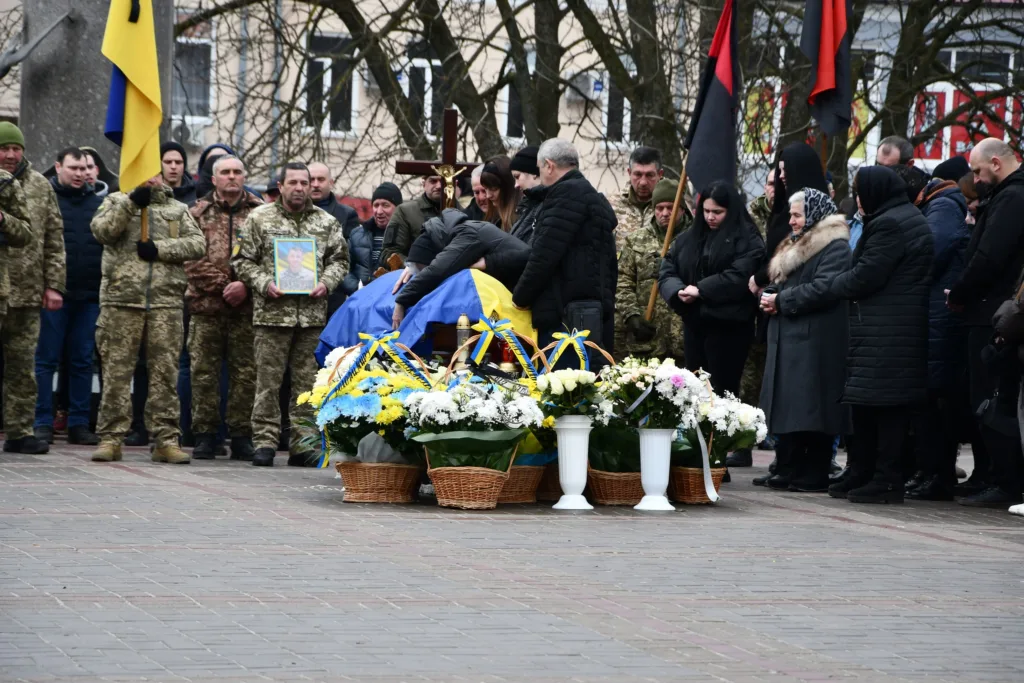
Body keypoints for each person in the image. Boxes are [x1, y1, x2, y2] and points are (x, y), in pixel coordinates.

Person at [827, 165, 933, 504]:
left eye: (861, 192)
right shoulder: (903, 216)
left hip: (888, 329)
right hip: (888, 327)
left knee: (885, 408)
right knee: (869, 404)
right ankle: (864, 471)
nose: (858, 199)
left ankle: (885, 479)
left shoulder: (890, 224)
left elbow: (866, 275)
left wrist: (832, 285)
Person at [232, 162, 349, 468]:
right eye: (293, 182)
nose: (299, 188)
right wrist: (263, 283)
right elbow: (242, 260)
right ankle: (265, 442)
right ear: (280, 186)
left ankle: (303, 444)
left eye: (304, 183)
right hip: (271, 316)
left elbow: (340, 260)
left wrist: (326, 283)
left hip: (310, 317)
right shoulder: (259, 218)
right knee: (267, 382)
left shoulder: (326, 222)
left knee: (306, 384)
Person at [89, 173, 206, 464]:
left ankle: (166, 440)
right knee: (116, 373)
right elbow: (102, 232)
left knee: (165, 374)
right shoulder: (115, 201)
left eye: (155, 172)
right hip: (121, 301)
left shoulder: (177, 208)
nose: (150, 177)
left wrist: (160, 248)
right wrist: (131, 203)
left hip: (165, 303)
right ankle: (111, 437)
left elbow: (197, 244)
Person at [756, 188, 851, 491]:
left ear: (814, 214)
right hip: (791, 337)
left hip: (815, 340)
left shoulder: (835, 247)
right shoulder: (797, 242)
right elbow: (785, 282)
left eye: (797, 215)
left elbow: (825, 287)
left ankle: (814, 472)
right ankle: (787, 466)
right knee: (789, 407)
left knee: (813, 409)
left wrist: (781, 301)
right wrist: (770, 297)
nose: (792, 221)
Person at [947, 138, 1024, 507]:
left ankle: (1004, 481)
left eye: (978, 171)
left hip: (994, 313)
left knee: (993, 400)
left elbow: (989, 257)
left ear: (996, 163)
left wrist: (960, 292)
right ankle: (993, 476)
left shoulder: (1012, 198)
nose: (975, 179)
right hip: (993, 310)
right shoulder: (1007, 196)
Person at [891, 167, 969, 501]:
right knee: (925, 403)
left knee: (935, 402)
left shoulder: (943, 206)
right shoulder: (937, 205)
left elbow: (928, 252)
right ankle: (927, 471)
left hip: (939, 320)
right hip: (933, 316)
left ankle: (938, 475)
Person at [185, 155, 263, 461]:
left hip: (247, 308)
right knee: (203, 373)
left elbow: (271, 257)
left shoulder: (261, 213)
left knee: (246, 375)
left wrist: (244, 285)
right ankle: (205, 435)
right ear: (214, 179)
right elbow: (189, 258)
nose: (232, 177)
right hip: (206, 308)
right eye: (225, 172)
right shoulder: (196, 213)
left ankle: (241, 435)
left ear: (244, 177)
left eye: (237, 172)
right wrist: (225, 286)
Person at [512, 139, 617, 361]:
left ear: (549, 166)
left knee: (560, 379)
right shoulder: (590, 196)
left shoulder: (565, 195)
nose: (541, 176)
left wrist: (519, 298)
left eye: (540, 169)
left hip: (563, 315)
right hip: (589, 312)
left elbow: (543, 256)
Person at [659, 181, 764, 395]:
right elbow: (667, 268)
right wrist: (677, 291)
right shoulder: (690, 237)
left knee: (722, 394)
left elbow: (740, 276)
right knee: (693, 392)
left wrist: (701, 290)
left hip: (729, 329)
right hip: (694, 326)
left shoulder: (748, 239)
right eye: (706, 211)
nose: (710, 217)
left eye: (717, 212)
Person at [0, 126, 66, 455]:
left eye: (16, 148)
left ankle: (19, 431)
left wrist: (54, 285)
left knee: (23, 366)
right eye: (4, 148)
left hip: (27, 290)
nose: (11, 155)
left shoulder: (41, 185)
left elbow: (54, 238)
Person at [34, 148, 104, 446]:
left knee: (82, 361)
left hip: (89, 296)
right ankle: (42, 421)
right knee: (46, 360)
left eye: (84, 168)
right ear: (58, 167)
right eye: (73, 168)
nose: (80, 174)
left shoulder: (99, 205)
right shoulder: (47, 201)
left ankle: (78, 423)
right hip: (53, 296)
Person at [392, 209, 530, 327]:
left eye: (423, 269)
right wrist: (413, 266)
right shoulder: (463, 230)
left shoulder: (466, 234)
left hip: (531, 298)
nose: (422, 273)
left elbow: (436, 271)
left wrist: (401, 300)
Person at [614, 178, 686, 364]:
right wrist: (632, 315)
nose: (665, 213)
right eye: (659, 208)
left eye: (670, 207)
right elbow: (623, 281)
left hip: (684, 340)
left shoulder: (696, 239)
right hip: (648, 340)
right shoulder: (636, 240)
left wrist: (673, 269)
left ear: (682, 208)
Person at [751, 143, 830, 292]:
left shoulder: (818, 210)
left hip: (796, 292)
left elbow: (795, 257)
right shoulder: (782, 208)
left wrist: (759, 278)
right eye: (779, 170)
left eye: (785, 170)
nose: (781, 175)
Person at [342, 182, 401, 295]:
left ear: (398, 208)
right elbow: (343, 267)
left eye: (385, 205)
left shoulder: (406, 236)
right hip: (359, 299)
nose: (379, 211)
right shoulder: (356, 235)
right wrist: (358, 289)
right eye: (376, 205)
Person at [378, 175, 446, 266]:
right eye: (433, 181)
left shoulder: (461, 213)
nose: (439, 186)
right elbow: (389, 253)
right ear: (424, 184)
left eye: (443, 181)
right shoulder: (405, 211)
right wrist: (414, 267)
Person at [611, 146, 663, 252]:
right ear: (629, 173)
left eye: (649, 175)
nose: (643, 182)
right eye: (638, 174)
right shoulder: (612, 205)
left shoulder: (673, 205)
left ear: (660, 174)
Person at [308, 161, 359, 240]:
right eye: (311, 180)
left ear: (331, 183)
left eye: (321, 179)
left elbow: (351, 246)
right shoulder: (293, 211)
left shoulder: (347, 214)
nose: (316, 185)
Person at [509, 146, 542, 244]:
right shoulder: (527, 206)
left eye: (517, 177)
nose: (516, 185)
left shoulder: (547, 205)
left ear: (534, 173)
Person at [479, 156, 521, 231]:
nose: (488, 196)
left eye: (493, 189)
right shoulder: (492, 218)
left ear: (508, 188)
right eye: (485, 189)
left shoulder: (520, 221)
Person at [160, 142, 196, 206]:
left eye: (178, 162)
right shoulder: (150, 194)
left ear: (184, 166)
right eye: (168, 162)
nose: (173, 167)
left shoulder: (197, 193)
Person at [748, 168, 774, 234]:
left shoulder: (794, 215)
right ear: (765, 188)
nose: (775, 188)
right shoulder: (751, 216)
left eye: (780, 184)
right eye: (771, 184)